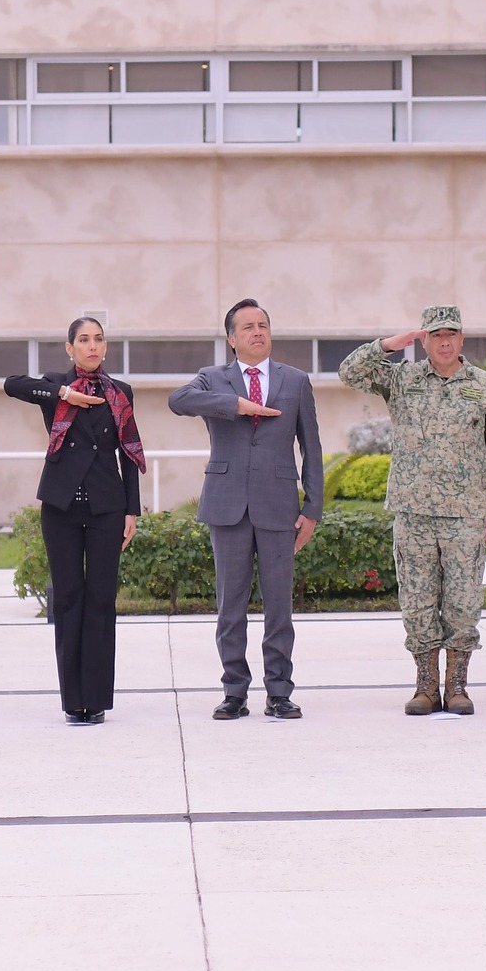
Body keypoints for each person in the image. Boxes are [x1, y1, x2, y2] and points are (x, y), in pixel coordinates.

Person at [339, 306, 486, 716]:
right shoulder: (403, 379)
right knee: (417, 601)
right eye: (436, 335)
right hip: (413, 511)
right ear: (424, 340)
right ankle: (425, 685)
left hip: (465, 513)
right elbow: (350, 373)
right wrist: (386, 346)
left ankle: (456, 687)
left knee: (463, 602)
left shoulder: (483, 385)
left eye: (451, 334)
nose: (445, 342)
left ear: (462, 338)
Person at [168, 298, 325, 721]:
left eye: (264, 325)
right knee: (230, 606)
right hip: (227, 506)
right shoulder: (211, 379)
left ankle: (279, 692)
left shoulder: (294, 380)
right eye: (248, 327)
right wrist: (234, 405)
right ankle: (234, 692)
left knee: (279, 607)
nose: (258, 332)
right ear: (232, 339)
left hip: (279, 507)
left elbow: (311, 446)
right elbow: (177, 400)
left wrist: (313, 508)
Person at [5, 318, 144, 725]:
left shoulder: (120, 393)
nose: (92, 346)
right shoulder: (54, 386)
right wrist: (64, 393)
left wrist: (131, 509)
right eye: (83, 340)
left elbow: (130, 455)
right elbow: (12, 383)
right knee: (68, 601)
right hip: (61, 507)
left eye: (98, 339)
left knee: (101, 600)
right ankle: (73, 702)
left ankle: (96, 699)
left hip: (106, 507)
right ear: (70, 348)